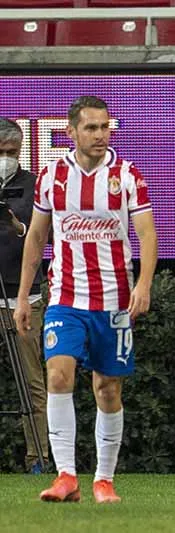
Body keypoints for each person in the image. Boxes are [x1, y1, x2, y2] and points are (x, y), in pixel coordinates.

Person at [13, 96, 158, 503]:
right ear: (71, 131)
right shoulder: (51, 176)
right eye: (91, 127)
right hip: (65, 297)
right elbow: (37, 238)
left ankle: (104, 479)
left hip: (113, 300)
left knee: (108, 388)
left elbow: (147, 234)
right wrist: (24, 296)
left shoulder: (128, 175)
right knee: (59, 375)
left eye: (104, 127)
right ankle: (66, 476)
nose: (99, 134)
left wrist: (143, 284)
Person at [0, 118, 48, 474]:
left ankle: (38, 459)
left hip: (24, 298)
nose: (5, 158)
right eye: (0, 152)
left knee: (34, 383)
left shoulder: (35, 185)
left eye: (11, 152)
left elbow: (42, 235)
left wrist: (19, 227)